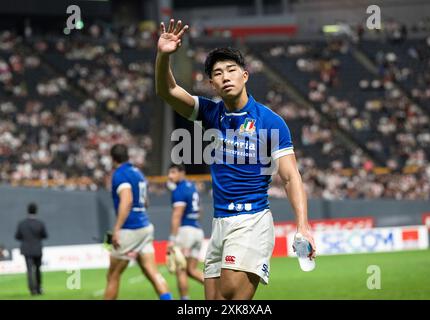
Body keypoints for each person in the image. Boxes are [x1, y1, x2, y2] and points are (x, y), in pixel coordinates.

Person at [155, 19, 316, 300]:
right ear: (212, 83)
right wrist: (164, 55)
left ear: (245, 75)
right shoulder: (209, 113)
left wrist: (303, 225)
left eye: (231, 70)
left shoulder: (270, 121)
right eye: (218, 73)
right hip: (220, 223)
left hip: (251, 221)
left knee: (230, 293)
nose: (225, 76)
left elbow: (291, 177)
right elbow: (167, 91)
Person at [104, 144, 172, 300]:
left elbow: (127, 200)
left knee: (113, 275)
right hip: (145, 226)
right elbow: (146, 202)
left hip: (130, 228)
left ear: (113, 159)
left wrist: (117, 229)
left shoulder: (120, 174)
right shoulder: (138, 173)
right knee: (152, 271)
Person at [167, 163, 204, 300]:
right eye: (169, 173)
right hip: (197, 230)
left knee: (180, 270)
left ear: (182, 173)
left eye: (173, 172)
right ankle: (217, 291)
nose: (170, 176)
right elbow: (200, 211)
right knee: (191, 270)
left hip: (185, 231)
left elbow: (177, 216)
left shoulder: (179, 190)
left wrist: (172, 239)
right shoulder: (193, 188)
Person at [15, 203, 48, 296]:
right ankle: (39, 288)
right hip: (37, 249)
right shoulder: (40, 223)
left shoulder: (22, 224)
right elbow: (45, 235)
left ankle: (32, 290)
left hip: (27, 250)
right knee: (38, 269)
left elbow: (17, 236)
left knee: (29, 270)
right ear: (36, 211)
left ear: (27, 210)